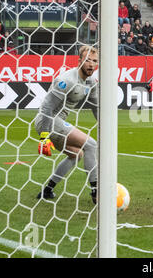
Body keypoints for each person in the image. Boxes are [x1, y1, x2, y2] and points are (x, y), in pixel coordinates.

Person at [35, 46, 99, 204]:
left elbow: (96, 107)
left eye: (95, 61)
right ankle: (96, 191)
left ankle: (47, 190)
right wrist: (44, 136)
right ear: (79, 61)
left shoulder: (91, 82)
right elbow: (47, 107)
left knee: (76, 154)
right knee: (91, 145)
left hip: (59, 122)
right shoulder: (67, 80)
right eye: (87, 60)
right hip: (47, 121)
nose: (91, 64)